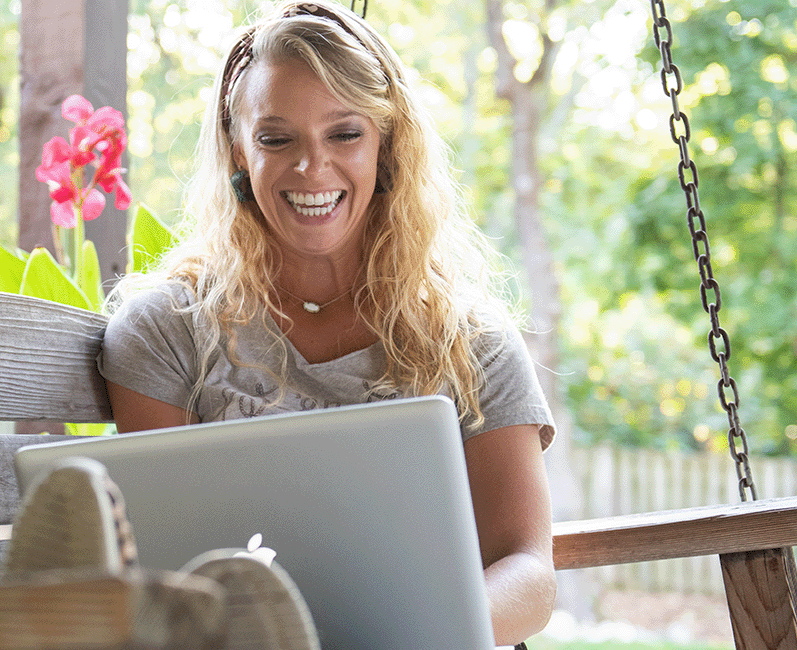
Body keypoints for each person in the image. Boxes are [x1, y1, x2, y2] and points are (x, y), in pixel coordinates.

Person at [98, 1, 558, 645]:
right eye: (276, 138)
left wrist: (421, 634)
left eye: (344, 134)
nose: (312, 167)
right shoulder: (165, 330)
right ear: (238, 150)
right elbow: (155, 564)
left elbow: (528, 570)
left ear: (386, 145)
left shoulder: (472, 343)